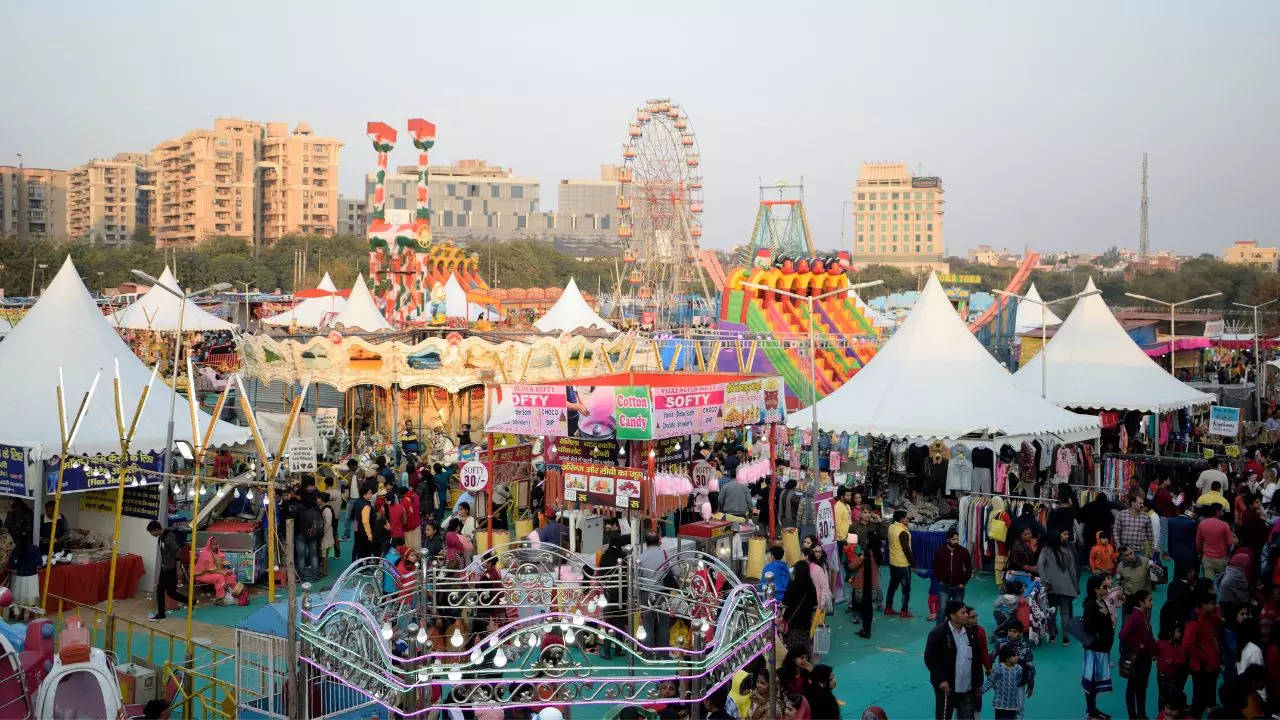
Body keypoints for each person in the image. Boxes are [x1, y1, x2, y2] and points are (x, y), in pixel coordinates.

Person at [924, 600, 984, 720]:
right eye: (963, 613)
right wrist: (941, 680)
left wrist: (978, 683)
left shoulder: (971, 634)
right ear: (952, 615)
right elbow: (930, 659)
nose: (966, 615)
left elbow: (976, 660)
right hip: (947, 688)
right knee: (944, 717)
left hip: (967, 687)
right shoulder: (938, 633)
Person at [1081, 574, 1116, 720]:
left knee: (1095, 682)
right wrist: (1099, 633)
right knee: (1092, 681)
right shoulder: (1091, 605)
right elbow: (1088, 627)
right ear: (1096, 589)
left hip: (1102, 650)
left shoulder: (1101, 602)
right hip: (1094, 651)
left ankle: (1092, 709)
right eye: (1104, 587)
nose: (1107, 589)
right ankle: (1090, 711)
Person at [1182, 592, 1222, 717]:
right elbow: (1187, 644)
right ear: (1203, 604)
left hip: (1211, 664)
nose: (1215, 606)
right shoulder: (1195, 620)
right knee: (1198, 698)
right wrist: (1204, 657)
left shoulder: (1209, 616)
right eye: (1212, 604)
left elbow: (1217, 621)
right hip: (1201, 666)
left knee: (1208, 694)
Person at [1120, 589, 1156, 719]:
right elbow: (1122, 634)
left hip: (1145, 658)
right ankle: (1133, 715)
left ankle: (1141, 713)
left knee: (1141, 687)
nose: (1152, 603)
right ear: (1141, 602)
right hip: (1138, 659)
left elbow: (1148, 635)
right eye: (1150, 600)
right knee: (1133, 687)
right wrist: (1138, 644)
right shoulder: (1135, 616)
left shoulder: (1143, 614)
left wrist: (1152, 651)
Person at [931, 528, 973, 626]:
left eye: (957, 539)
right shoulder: (940, 551)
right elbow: (935, 566)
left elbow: (969, 569)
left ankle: (957, 630)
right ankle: (939, 631)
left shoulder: (964, 551)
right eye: (953, 539)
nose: (956, 541)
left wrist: (964, 583)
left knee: (958, 611)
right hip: (944, 586)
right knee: (942, 610)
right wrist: (940, 580)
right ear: (948, 540)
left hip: (959, 587)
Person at [147, 521, 187, 621]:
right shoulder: (161, 537)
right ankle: (161, 614)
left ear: (156, 530)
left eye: (151, 532)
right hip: (165, 568)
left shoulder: (168, 538)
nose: (151, 535)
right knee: (166, 592)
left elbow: (177, 553)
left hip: (170, 569)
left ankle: (161, 614)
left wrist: (178, 569)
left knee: (168, 592)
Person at [980, 644, 1029, 720]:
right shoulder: (998, 668)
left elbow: (1020, 682)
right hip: (1000, 704)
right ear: (1007, 658)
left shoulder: (1019, 669)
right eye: (1014, 655)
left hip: (1012, 705)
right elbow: (990, 681)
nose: (1017, 657)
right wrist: (982, 690)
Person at [781, 558, 818, 651]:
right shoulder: (811, 586)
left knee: (792, 647)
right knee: (804, 646)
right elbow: (814, 604)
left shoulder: (792, 585)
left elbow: (785, 602)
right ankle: (804, 661)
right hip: (806, 621)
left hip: (792, 621)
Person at [884, 509, 914, 619]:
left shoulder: (891, 527)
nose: (908, 519)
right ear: (902, 519)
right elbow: (907, 550)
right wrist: (914, 564)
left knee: (892, 586)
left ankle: (888, 608)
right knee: (906, 589)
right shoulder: (903, 532)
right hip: (903, 564)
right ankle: (904, 611)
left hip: (893, 562)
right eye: (907, 517)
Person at [192, 537, 238, 606]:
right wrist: (223, 572)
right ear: (209, 545)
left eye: (216, 544)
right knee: (220, 577)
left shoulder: (215, 552)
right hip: (202, 575)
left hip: (212, 572)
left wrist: (224, 563)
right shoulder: (206, 553)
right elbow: (211, 570)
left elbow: (220, 560)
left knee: (231, 574)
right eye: (213, 545)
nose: (215, 546)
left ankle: (235, 593)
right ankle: (219, 599)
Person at [1195, 503, 1234, 580]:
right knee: (1222, 583)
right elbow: (1230, 544)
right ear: (1217, 511)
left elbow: (1198, 543)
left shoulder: (1202, 524)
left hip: (1207, 559)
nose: (1223, 513)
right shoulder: (1225, 525)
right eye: (1222, 511)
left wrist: (1199, 554)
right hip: (1222, 559)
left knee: (1208, 584)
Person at [1115, 491, 1155, 557]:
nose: (1142, 505)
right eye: (1140, 503)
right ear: (1133, 503)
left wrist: (1152, 550)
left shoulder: (1146, 516)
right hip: (1124, 551)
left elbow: (1150, 535)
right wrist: (1118, 545)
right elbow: (1116, 531)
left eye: (1143, 503)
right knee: (1124, 567)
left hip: (1140, 552)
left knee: (1140, 567)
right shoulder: (1122, 514)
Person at [1165, 505, 1199, 582]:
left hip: (1175, 553)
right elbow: (1195, 540)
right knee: (1190, 577)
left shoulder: (1171, 521)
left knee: (1177, 574)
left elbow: (1170, 538)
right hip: (1189, 555)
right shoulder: (1192, 523)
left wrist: (1170, 553)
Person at [351, 482, 376, 560]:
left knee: (357, 547)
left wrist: (356, 529)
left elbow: (354, 517)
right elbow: (366, 522)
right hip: (364, 532)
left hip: (358, 529)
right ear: (364, 495)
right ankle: (363, 569)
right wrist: (369, 535)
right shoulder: (366, 506)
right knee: (365, 552)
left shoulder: (358, 502)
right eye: (369, 493)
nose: (371, 494)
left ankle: (354, 562)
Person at [318, 492, 336, 575]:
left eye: (319, 498)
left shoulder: (326, 510)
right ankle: (323, 569)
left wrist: (322, 533)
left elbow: (328, 523)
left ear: (322, 500)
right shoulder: (326, 508)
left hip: (326, 534)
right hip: (327, 533)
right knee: (324, 552)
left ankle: (324, 571)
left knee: (325, 553)